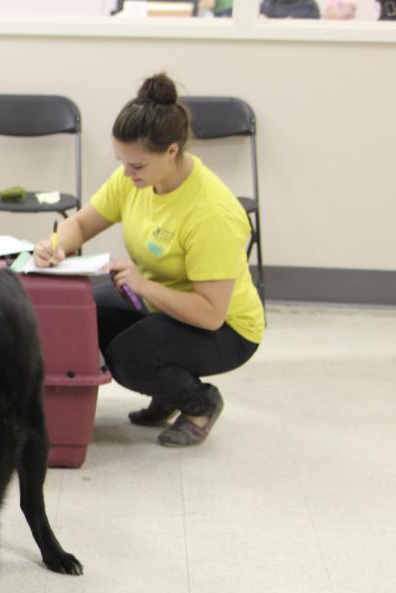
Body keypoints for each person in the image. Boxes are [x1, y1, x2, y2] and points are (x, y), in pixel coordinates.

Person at [33, 73, 264, 448]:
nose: (126, 173)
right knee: (80, 315)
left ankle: (199, 403)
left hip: (227, 330)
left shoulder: (210, 213)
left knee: (129, 356)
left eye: (136, 166)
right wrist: (55, 245)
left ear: (171, 151)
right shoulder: (135, 178)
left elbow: (210, 314)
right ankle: (169, 389)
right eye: (122, 162)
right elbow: (81, 223)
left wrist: (145, 285)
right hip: (159, 299)